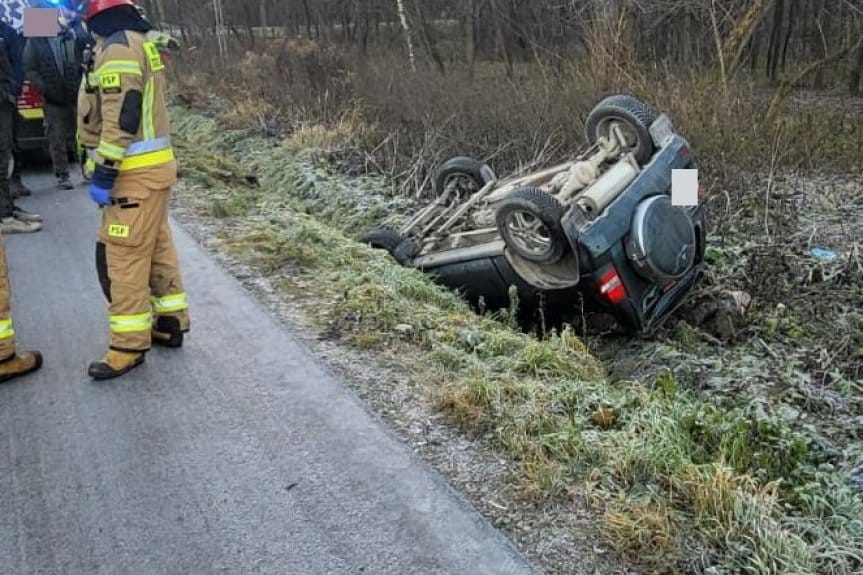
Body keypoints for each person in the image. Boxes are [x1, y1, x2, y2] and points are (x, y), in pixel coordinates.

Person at [78, 0, 189, 380]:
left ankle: (127, 346)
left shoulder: (117, 47)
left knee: (122, 257)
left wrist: (105, 171)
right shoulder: (141, 40)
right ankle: (170, 321)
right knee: (156, 245)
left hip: (131, 174)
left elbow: (122, 113)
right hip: (153, 171)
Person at [24, 8, 87, 191]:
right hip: (52, 98)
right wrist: (44, 88)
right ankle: (63, 175)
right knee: (56, 138)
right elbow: (30, 68)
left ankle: (87, 170)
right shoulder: (34, 42)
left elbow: (82, 51)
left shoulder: (70, 36)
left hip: (75, 94)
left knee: (82, 134)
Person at [1, 19, 42, 234]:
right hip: (4, 98)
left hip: (10, 99)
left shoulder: (13, 21)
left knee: (9, 152)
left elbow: (53, 30)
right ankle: (4, 216)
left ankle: (7, 206)